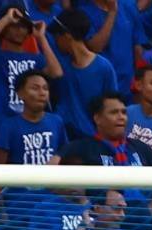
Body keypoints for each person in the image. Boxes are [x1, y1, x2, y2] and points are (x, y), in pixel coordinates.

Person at [0, 2, 62, 130]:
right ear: (4, 28)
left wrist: (41, 37)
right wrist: (6, 19)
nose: (19, 30)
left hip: (32, 124)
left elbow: (56, 72)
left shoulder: (35, 58)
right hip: (3, 123)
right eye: (14, 26)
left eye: (23, 26)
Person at [50, 9, 118, 140]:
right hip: (64, 137)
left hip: (92, 140)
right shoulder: (60, 65)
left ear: (67, 36)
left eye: (57, 36)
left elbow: (112, 105)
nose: (56, 41)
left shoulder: (104, 67)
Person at [0, 69, 65, 164]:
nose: (42, 93)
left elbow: (64, 152)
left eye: (45, 88)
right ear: (20, 94)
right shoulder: (9, 126)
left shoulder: (56, 121)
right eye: (35, 88)